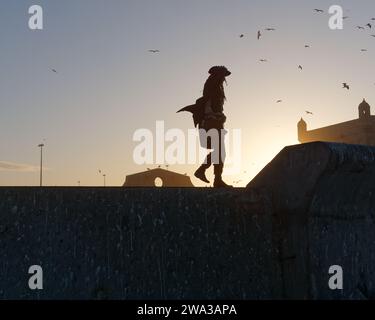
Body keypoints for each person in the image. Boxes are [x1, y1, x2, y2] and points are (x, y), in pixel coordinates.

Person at [194, 66, 232, 188]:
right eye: (222, 76)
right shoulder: (213, 90)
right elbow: (211, 110)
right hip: (212, 124)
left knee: (220, 152)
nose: (224, 79)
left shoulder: (213, 88)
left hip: (214, 124)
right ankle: (210, 175)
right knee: (220, 151)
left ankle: (213, 176)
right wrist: (220, 116)